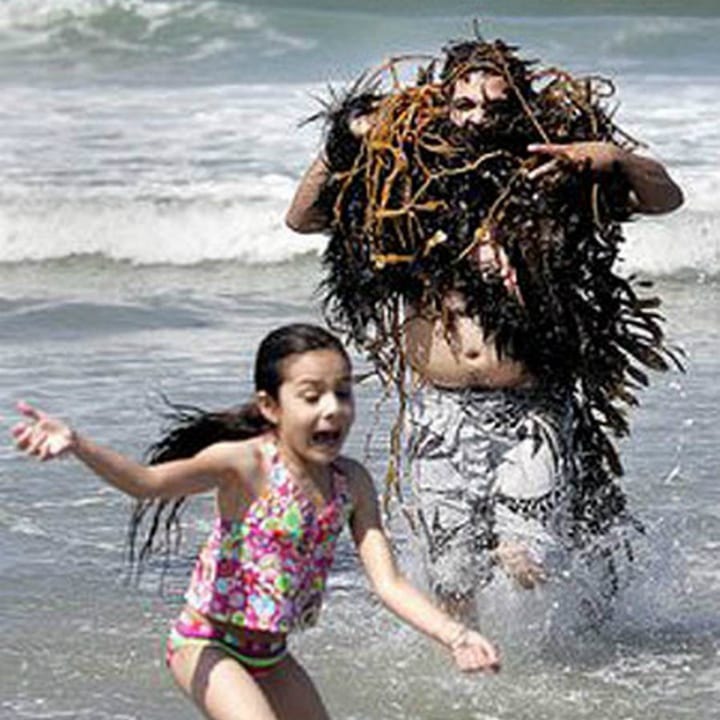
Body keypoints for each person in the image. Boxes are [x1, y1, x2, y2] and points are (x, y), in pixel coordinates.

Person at [285, 40, 684, 619]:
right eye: (464, 105)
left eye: (494, 108)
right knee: (452, 580)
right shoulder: (406, 189)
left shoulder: (553, 183)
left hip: (530, 410)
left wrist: (614, 158)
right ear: (443, 105)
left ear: (518, 109)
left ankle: (568, 661)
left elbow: (665, 199)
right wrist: (345, 137)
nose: (478, 120)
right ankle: (474, 683)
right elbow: (303, 218)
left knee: (525, 562)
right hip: (438, 414)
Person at [11, 323, 500, 720]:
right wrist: (78, 444)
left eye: (343, 393)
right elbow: (147, 483)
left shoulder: (351, 483)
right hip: (205, 644)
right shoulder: (245, 465)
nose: (332, 409)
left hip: (271, 654)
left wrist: (454, 635)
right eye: (311, 396)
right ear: (270, 406)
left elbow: (389, 583)